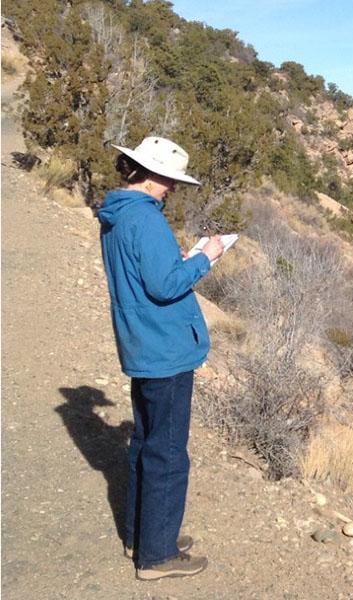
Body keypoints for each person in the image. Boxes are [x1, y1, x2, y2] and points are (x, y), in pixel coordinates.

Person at [97, 136, 224, 580]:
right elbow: (166, 286)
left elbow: (146, 275)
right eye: (171, 180)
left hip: (142, 343)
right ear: (156, 176)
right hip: (164, 347)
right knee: (168, 453)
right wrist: (205, 258)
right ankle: (157, 555)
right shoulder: (145, 220)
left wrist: (180, 261)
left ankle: (144, 533)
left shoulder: (117, 214)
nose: (172, 189)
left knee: (145, 444)